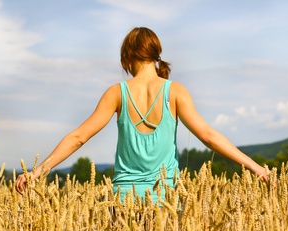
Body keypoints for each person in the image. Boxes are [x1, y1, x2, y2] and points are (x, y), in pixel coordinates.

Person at [15, 27, 269, 202]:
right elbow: (209, 136)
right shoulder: (175, 92)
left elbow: (78, 137)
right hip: (166, 199)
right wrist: (258, 169)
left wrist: (37, 171)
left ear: (126, 56)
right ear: (156, 55)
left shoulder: (116, 93)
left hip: (125, 200)